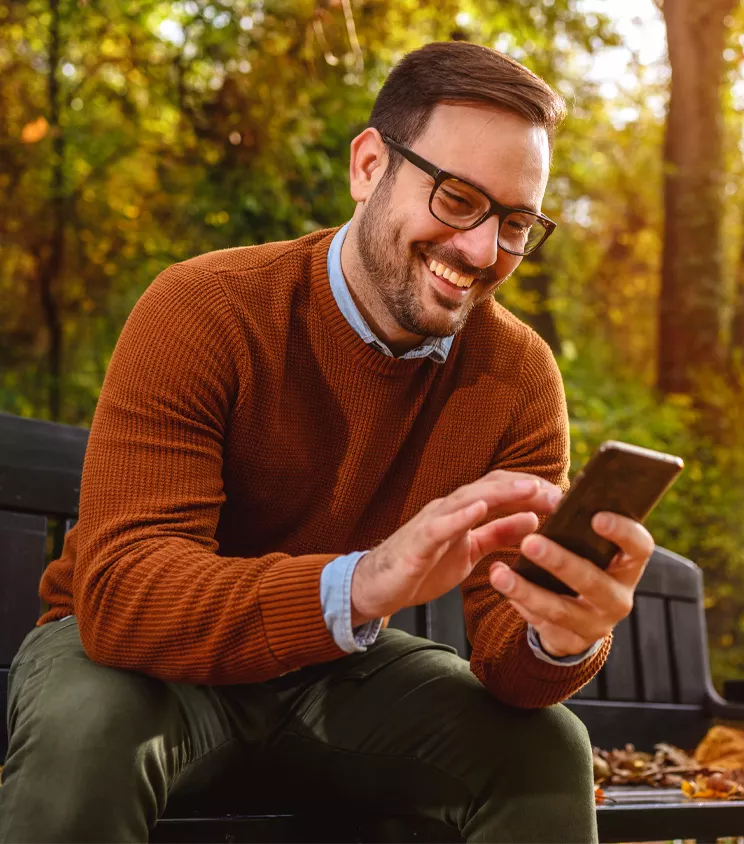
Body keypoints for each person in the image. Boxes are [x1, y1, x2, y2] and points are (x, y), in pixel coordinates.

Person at [0, 41, 654, 843]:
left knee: (546, 745)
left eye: (515, 223)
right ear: (370, 165)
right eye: (455, 199)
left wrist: (560, 635)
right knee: (91, 729)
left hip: (333, 676)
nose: (483, 252)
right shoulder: (205, 308)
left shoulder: (518, 377)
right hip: (135, 666)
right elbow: (124, 598)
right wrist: (366, 584)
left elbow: (509, 667)